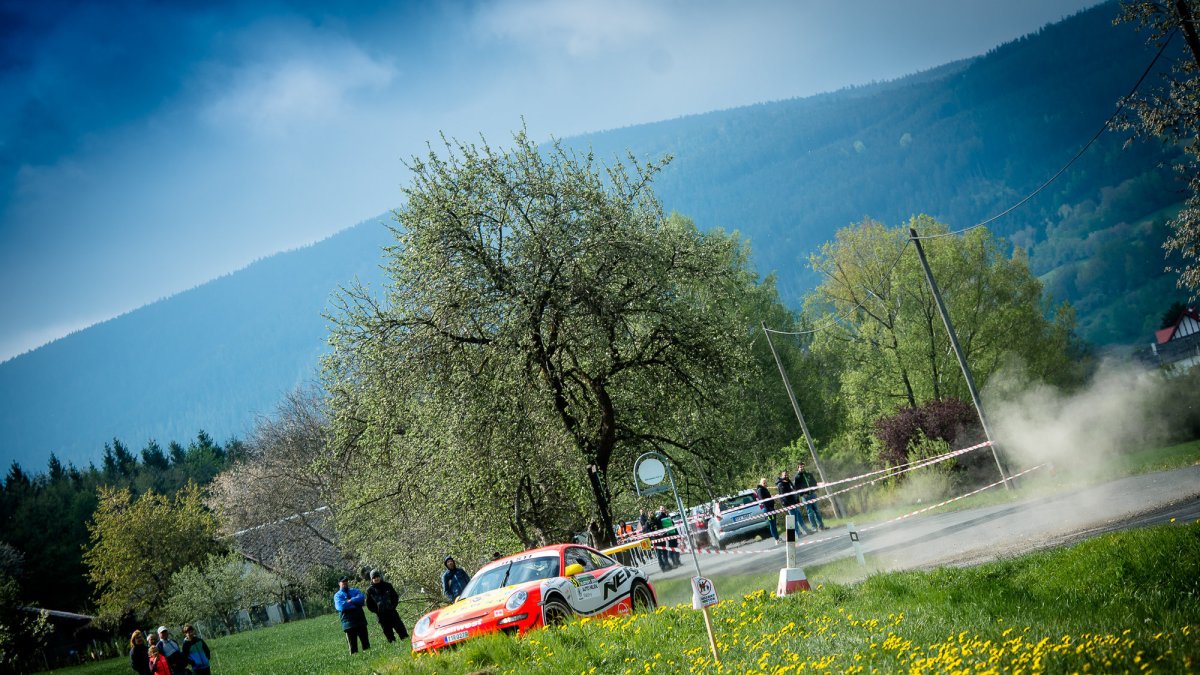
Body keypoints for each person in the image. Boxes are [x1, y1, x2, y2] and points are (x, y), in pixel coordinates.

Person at [365, 569, 409, 643]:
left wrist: (393, 606)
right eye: (374, 577)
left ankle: (406, 642)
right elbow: (369, 604)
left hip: (392, 612)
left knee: (401, 629)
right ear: (371, 579)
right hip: (381, 616)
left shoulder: (388, 585)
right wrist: (377, 611)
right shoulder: (369, 590)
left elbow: (395, 597)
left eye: (377, 576)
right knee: (388, 633)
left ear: (380, 577)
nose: (376, 578)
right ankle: (394, 645)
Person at [334, 576, 371, 654]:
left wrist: (350, 600)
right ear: (339, 583)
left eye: (346, 581)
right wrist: (355, 602)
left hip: (360, 620)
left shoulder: (355, 590)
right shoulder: (337, 595)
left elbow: (361, 599)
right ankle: (356, 661)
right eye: (343, 582)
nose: (345, 583)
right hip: (348, 623)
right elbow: (341, 607)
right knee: (353, 647)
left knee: (366, 643)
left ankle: (369, 656)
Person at [776, 470, 814, 538]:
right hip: (789, 504)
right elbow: (784, 497)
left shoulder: (789, 481)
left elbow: (794, 491)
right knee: (793, 519)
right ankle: (798, 533)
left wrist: (797, 501)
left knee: (799, 517)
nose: (786, 476)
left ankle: (806, 530)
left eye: (787, 474)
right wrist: (790, 504)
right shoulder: (780, 484)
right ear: (782, 476)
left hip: (795, 502)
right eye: (785, 475)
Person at [794, 461, 828, 531]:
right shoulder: (797, 477)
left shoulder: (809, 474)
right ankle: (814, 527)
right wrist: (802, 494)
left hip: (813, 495)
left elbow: (814, 483)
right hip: (806, 497)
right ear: (798, 468)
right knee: (810, 512)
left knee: (817, 510)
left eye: (803, 466)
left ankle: (821, 526)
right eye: (800, 467)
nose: (802, 468)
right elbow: (796, 488)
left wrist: (816, 489)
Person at [755, 478, 781, 544]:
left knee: (774, 524)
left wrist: (772, 497)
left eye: (766, 482)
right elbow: (763, 501)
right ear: (760, 483)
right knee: (772, 524)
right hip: (768, 509)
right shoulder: (760, 490)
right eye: (764, 483)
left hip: (771, 508)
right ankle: (776, 539)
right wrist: (769, 509)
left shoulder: (764, 489)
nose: (765, 484)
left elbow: (767, 497)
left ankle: (777, 537)